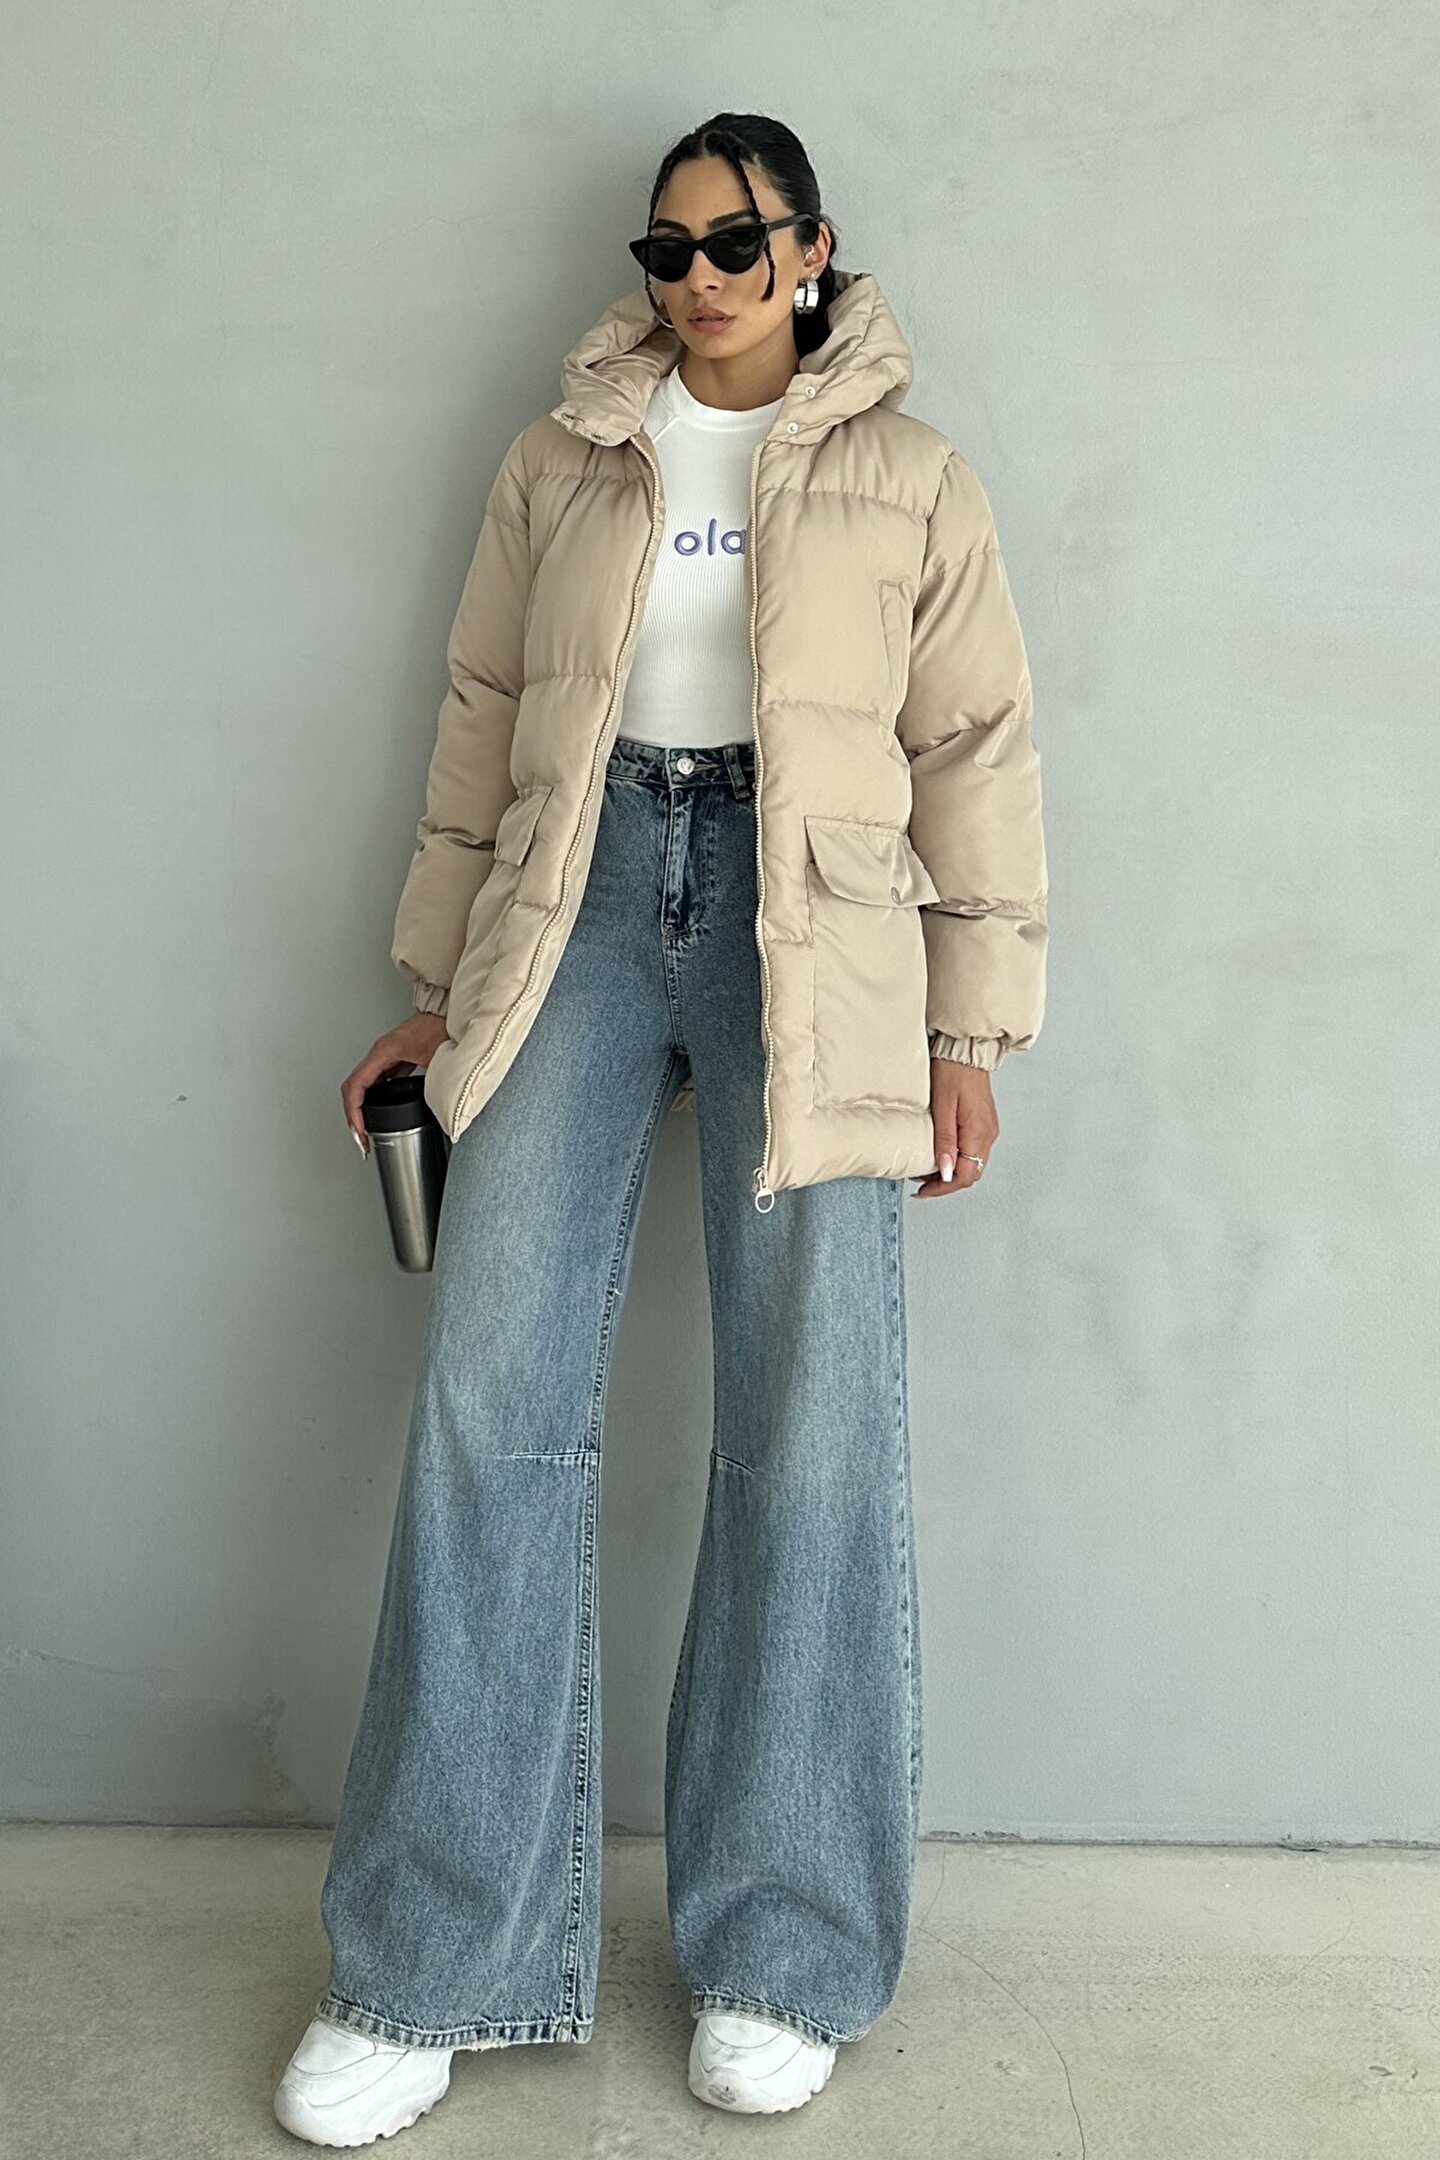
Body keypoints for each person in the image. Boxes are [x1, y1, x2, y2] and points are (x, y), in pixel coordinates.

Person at [274, 110, 1046, 2147]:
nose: (696, 277)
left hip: (824, 930)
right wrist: (438, 985)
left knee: (814, 1429)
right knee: (489, 1410)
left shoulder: (911, 474)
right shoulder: (566, 458)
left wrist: (970, 1025)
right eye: (666, 246)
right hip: (587, 902)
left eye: (732, 241)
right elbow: (480, 720)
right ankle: (428, 1964)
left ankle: (782, 1949)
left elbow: (975, 747)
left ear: (809, 251)